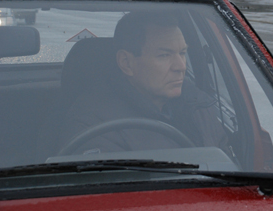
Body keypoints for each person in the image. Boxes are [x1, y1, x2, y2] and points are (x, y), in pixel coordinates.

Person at [58, 12, 229, 155]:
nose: (181, 67)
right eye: (164, 55)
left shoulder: (200, 105)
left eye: (182, 53)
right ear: (126, 63)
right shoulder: (93, 125)